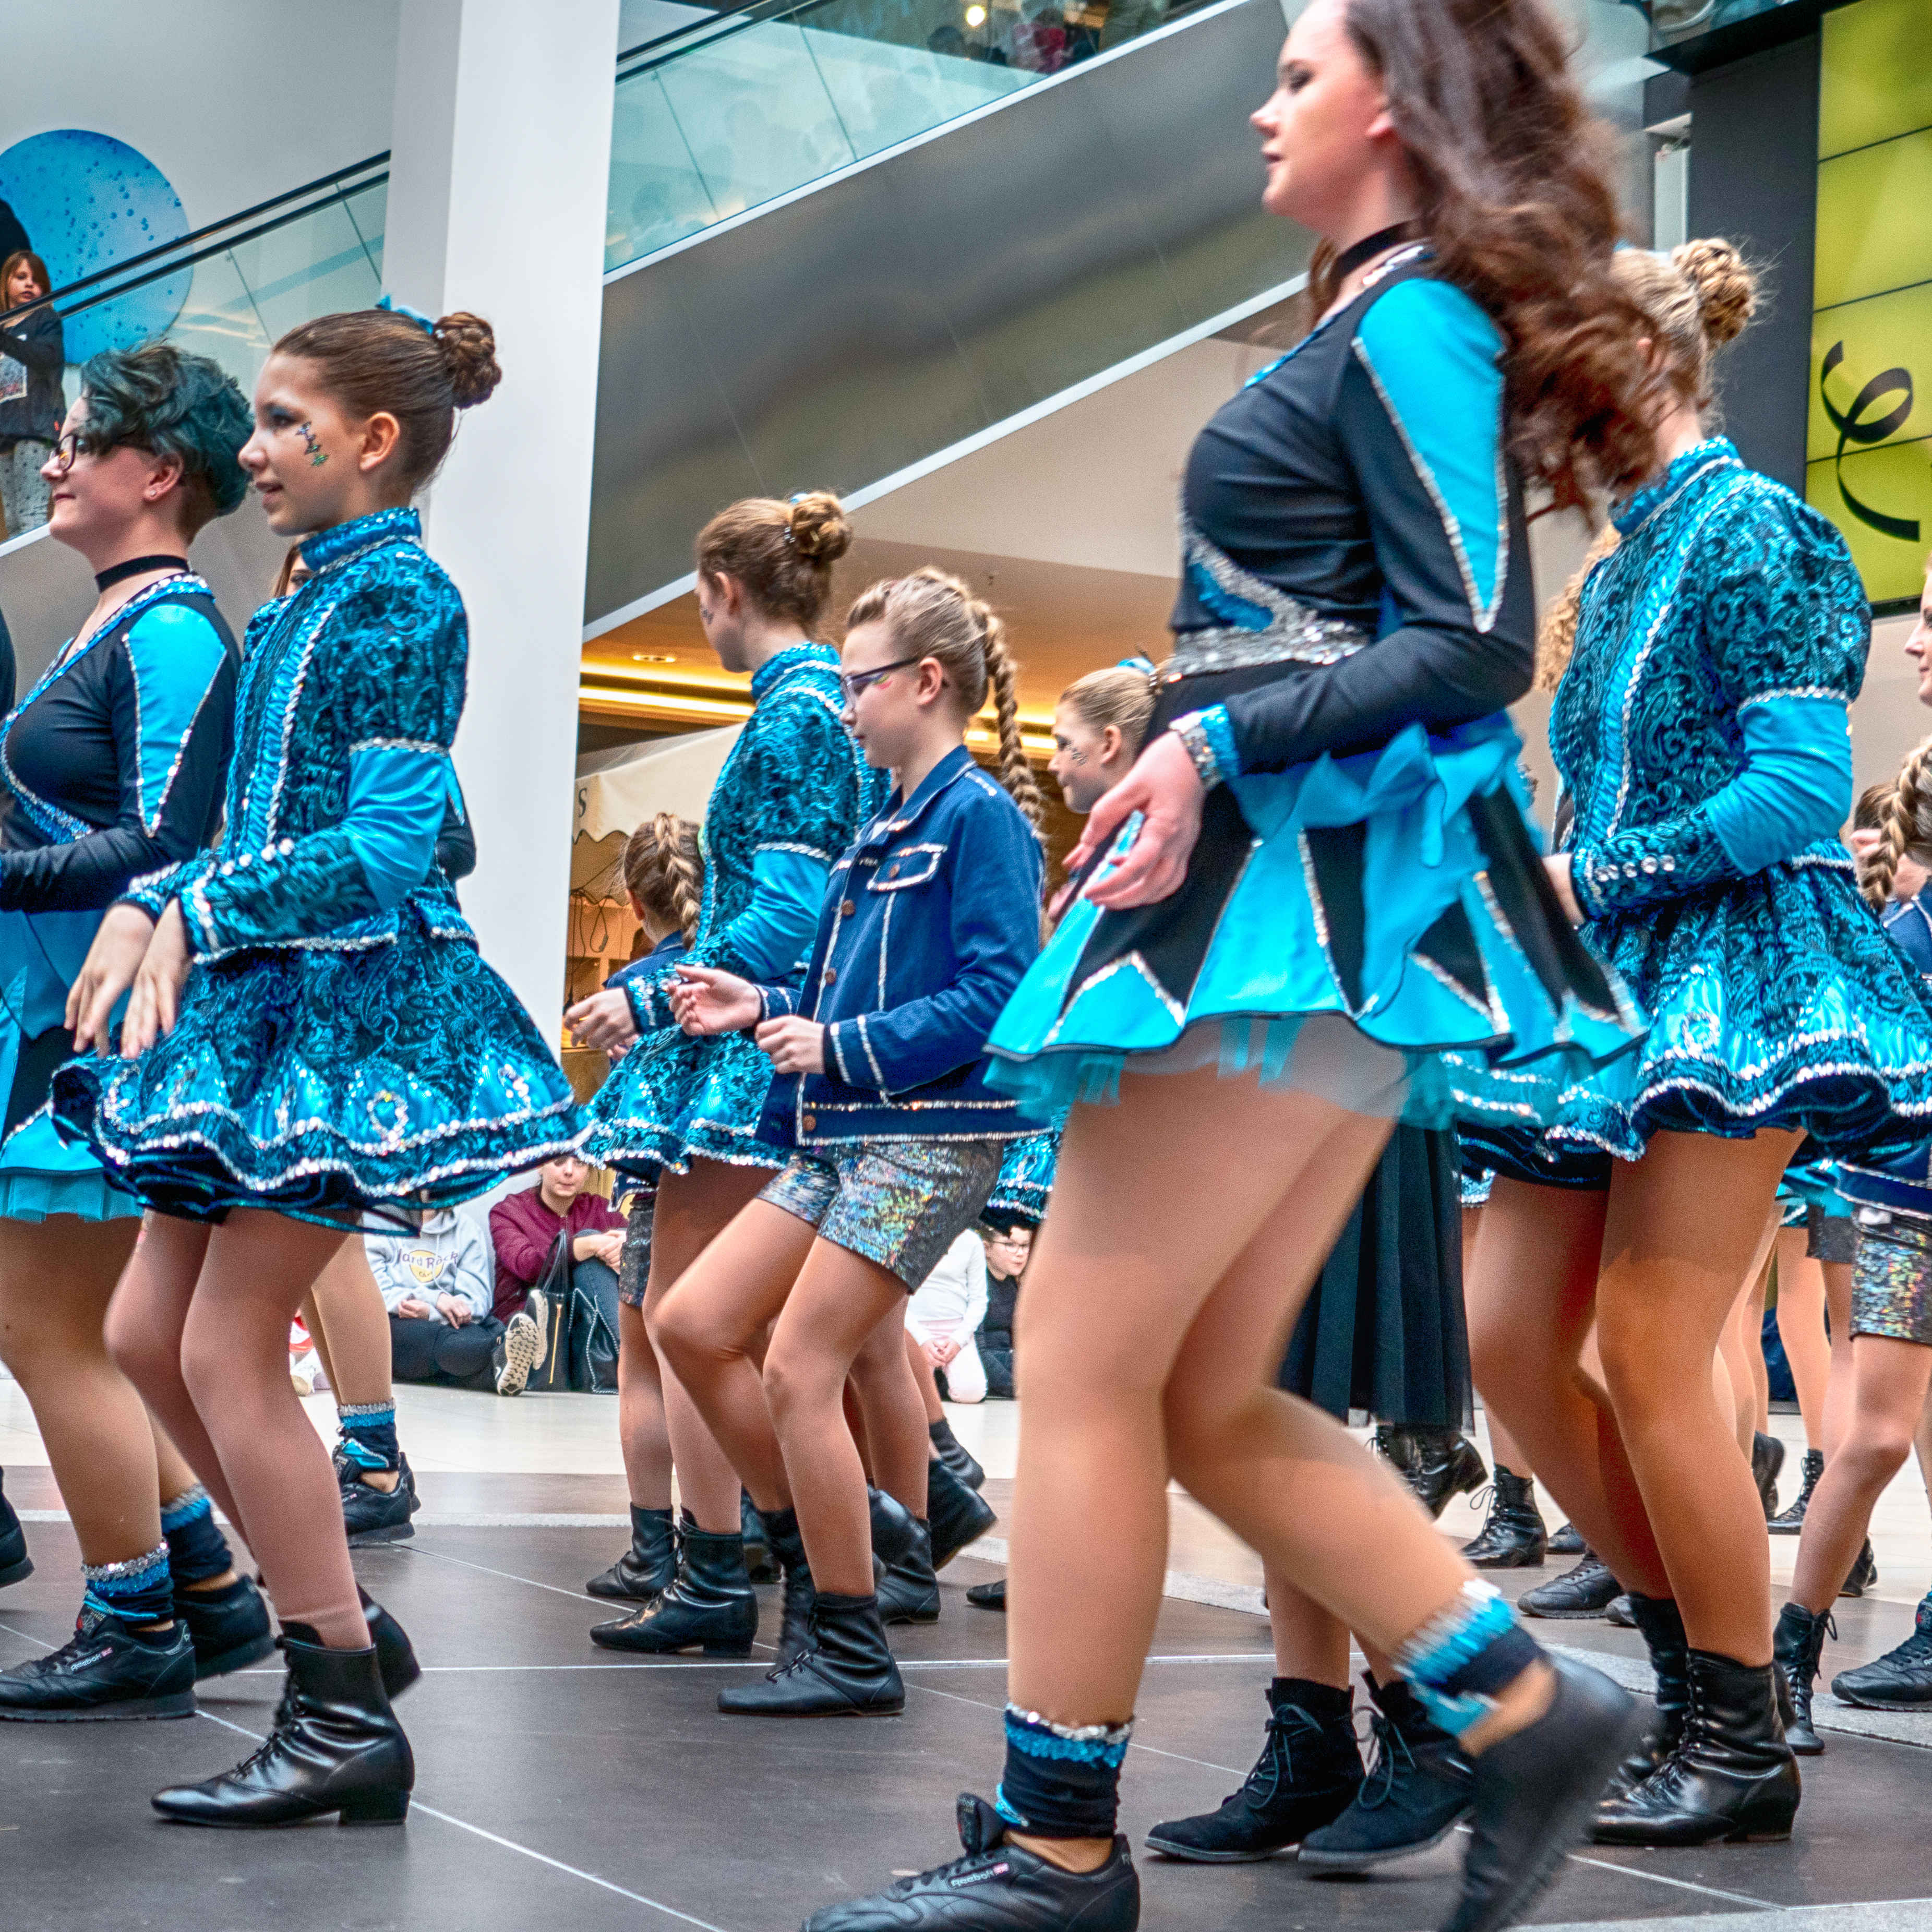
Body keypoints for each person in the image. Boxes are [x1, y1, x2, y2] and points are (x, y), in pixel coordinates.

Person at [804, 2, 1666, 1923]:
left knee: (1096, 1371)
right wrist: (1204, 747)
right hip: (1307, 902)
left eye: (1296, 69)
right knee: (1194, 1387)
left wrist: (1202, 742)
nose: (1264, 102)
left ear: (1396, 99)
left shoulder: (1417, 317)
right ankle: (1518, 1701)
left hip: (1296, 904)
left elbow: (1468, 638)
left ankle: (1056, 1844)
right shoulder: (1385, 316)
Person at [52, 299, 581, 1827]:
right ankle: (329, 1606)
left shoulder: (405, 602)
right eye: (257, 420)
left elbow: (405, 844)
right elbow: (253, 819)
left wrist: (200, 903)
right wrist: (163, 895)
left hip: (344, 1014)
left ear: (376, 442)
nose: (256, 447)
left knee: (222, 1346)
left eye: (288, 422)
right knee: (150, 1332)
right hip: (259, 997)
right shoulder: (291, 607)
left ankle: (339, 1691)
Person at [1459, 236, 1932, 1852]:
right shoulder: (1616, 572)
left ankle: (1734, 1725)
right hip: (1608, 983)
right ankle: (1686, 1677)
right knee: (1508, 1335)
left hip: (1733, 967)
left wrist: (1589, 871)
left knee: (1655, 1345)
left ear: (1636, 371)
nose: (1540, 434)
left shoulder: (1763, 534)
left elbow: (1801, 793)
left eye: (1557, 392)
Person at [654, 565, 1046, 1712]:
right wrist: (750, 1000)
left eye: (859, 683)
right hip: (850, 1133)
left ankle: (847, 1634)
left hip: (924, 1137)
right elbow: (829, 975)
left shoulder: (977, 820)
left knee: (797, 1363)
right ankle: (841, 1531)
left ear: (926, 684)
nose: (844, 704)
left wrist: (839, 1046)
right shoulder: (884, 821)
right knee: (693, 1323)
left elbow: (996, 997)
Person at [0, 342, 272, 1724]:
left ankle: (133, 1613)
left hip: (99, 1029)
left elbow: (166, 846)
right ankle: (200, 1589)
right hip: (65, 1016)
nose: (52, 457)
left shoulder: (167, 630)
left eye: (80, 437)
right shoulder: (121, 620)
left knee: (46, 1327)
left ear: (158, 473)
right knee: (69, 1327)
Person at [565, 491, 880, 1652]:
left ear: (722, 593)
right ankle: (754, 1562)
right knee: (700, 1330)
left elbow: (784, 914)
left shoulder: (795, 720)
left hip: (742, 1054)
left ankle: (766, 1561)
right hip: (745, 1046)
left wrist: (646, 994)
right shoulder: (812, 711)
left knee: (697, 1329)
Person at [1780, 573, 1932, 1738]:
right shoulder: (1903, 930)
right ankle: (1788, 1653)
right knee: (1877, 1427)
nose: (1916, 639)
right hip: (1907, 1203)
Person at [586, 811, 701, 1602]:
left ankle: (652, 1547)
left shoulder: (630, 992)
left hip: (664, 1192)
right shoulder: (737, 971)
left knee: (647, 1369)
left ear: (632, 901)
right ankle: (734, 1530)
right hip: (756, 1188)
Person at [369, 1206, 544, 1395]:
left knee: (484, 1327)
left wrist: (432, 1312)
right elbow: (372, 1291)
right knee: (439, 1338)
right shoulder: (379, 1222)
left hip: (452, 1323)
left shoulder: (467, 1229)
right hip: (397, 1322)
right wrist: (435, 1299)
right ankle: (502, 1348)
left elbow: (477, 1300)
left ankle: (501, 1367)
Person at [489, 1152, 625, 1381]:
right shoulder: (508, 1212)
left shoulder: (599, 1209)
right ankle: (634, 1360)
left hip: (585, 1331)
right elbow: (528, 1265)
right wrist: (583, 1246)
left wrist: (627, 1241)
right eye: (559, 1162)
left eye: (580, 1163)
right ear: (539, 1166)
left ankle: (632, 1356)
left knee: (627, 1248)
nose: (569, 1171)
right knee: (590, 1241)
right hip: (530, 1327)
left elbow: (648, 1246)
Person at [0, 251, 64, 540]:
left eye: (37, 281)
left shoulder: (44, 319)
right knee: (13, 520)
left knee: (31, 513)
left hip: (34, 427)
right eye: (21, 277)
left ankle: (43, 581)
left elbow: (47, 359)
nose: (30, 285)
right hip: (4, 433)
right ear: (6, 283)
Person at [908, 1226, 991, 1405]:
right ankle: (935, 1376)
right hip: (915, 1330)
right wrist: (921, 1339)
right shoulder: (909, 1235)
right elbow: (898, 1299)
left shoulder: (972, 1241)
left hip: (957, 1330)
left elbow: (979, 1300)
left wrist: (958, 1340)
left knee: (972, 1394)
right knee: (913, 1398)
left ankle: (943, 1374)